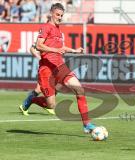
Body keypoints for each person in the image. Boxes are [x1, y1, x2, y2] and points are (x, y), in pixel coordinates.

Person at [20, 3, 96, 133]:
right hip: (46, 69)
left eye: (61, 15)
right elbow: (39, 45)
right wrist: (55, 50)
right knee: (51, 105)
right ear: (51, 13)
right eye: (57, 15)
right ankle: (32, 99)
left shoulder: (58, 29)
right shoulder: (45, 27)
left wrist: (74, 50)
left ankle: (87, 124)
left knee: (80, 89)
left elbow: (62, 48)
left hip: (60, 66)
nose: (59, 17)